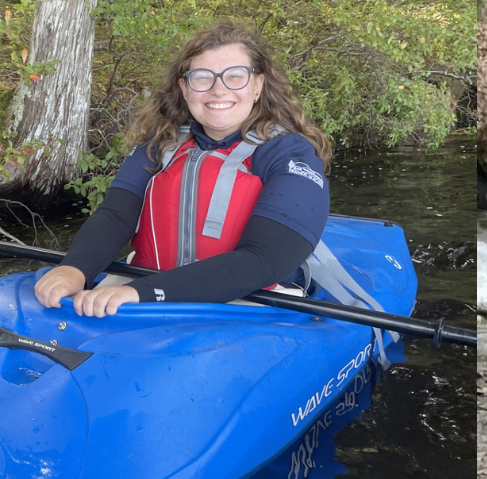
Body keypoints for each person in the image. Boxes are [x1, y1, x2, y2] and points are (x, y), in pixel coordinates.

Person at [34, 22, 331, 315]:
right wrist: (75, 268)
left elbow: (265, 260)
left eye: (235, 76)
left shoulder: (288, 152)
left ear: (257, 85)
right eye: (202, 78)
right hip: (146, 283)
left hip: (250, 298)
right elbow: (115, 215)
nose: (218, 90)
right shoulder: (161, 143)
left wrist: (143, 293)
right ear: (185, 88)